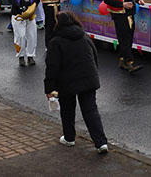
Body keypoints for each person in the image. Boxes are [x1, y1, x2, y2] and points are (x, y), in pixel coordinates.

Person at [44, 11, 108, 154]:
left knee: (67, 110)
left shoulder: (55, 41)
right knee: (91, 111)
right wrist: (93, 74)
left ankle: (69, 138)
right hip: (88, 78)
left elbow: (52, 67)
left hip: (66, 82)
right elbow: (94, 56)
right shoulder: (84, 36)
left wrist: (49, 88)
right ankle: (101, 142)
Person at [103, 0, 145, 73]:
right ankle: (129, 63)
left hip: (129, 14)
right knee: (124, 39)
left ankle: (122, 59)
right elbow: (107, 0)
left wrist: (138, 0)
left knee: (129, 37)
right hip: (120, 15)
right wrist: (122, 4)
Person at [7, 0, 40, 67]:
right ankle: (21, 56)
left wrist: (34, 5)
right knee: (20, 36)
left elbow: (36, 1)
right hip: (18, 15)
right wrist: (18, 6)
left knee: (32, 36)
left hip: (30, 15)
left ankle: (30, 56)